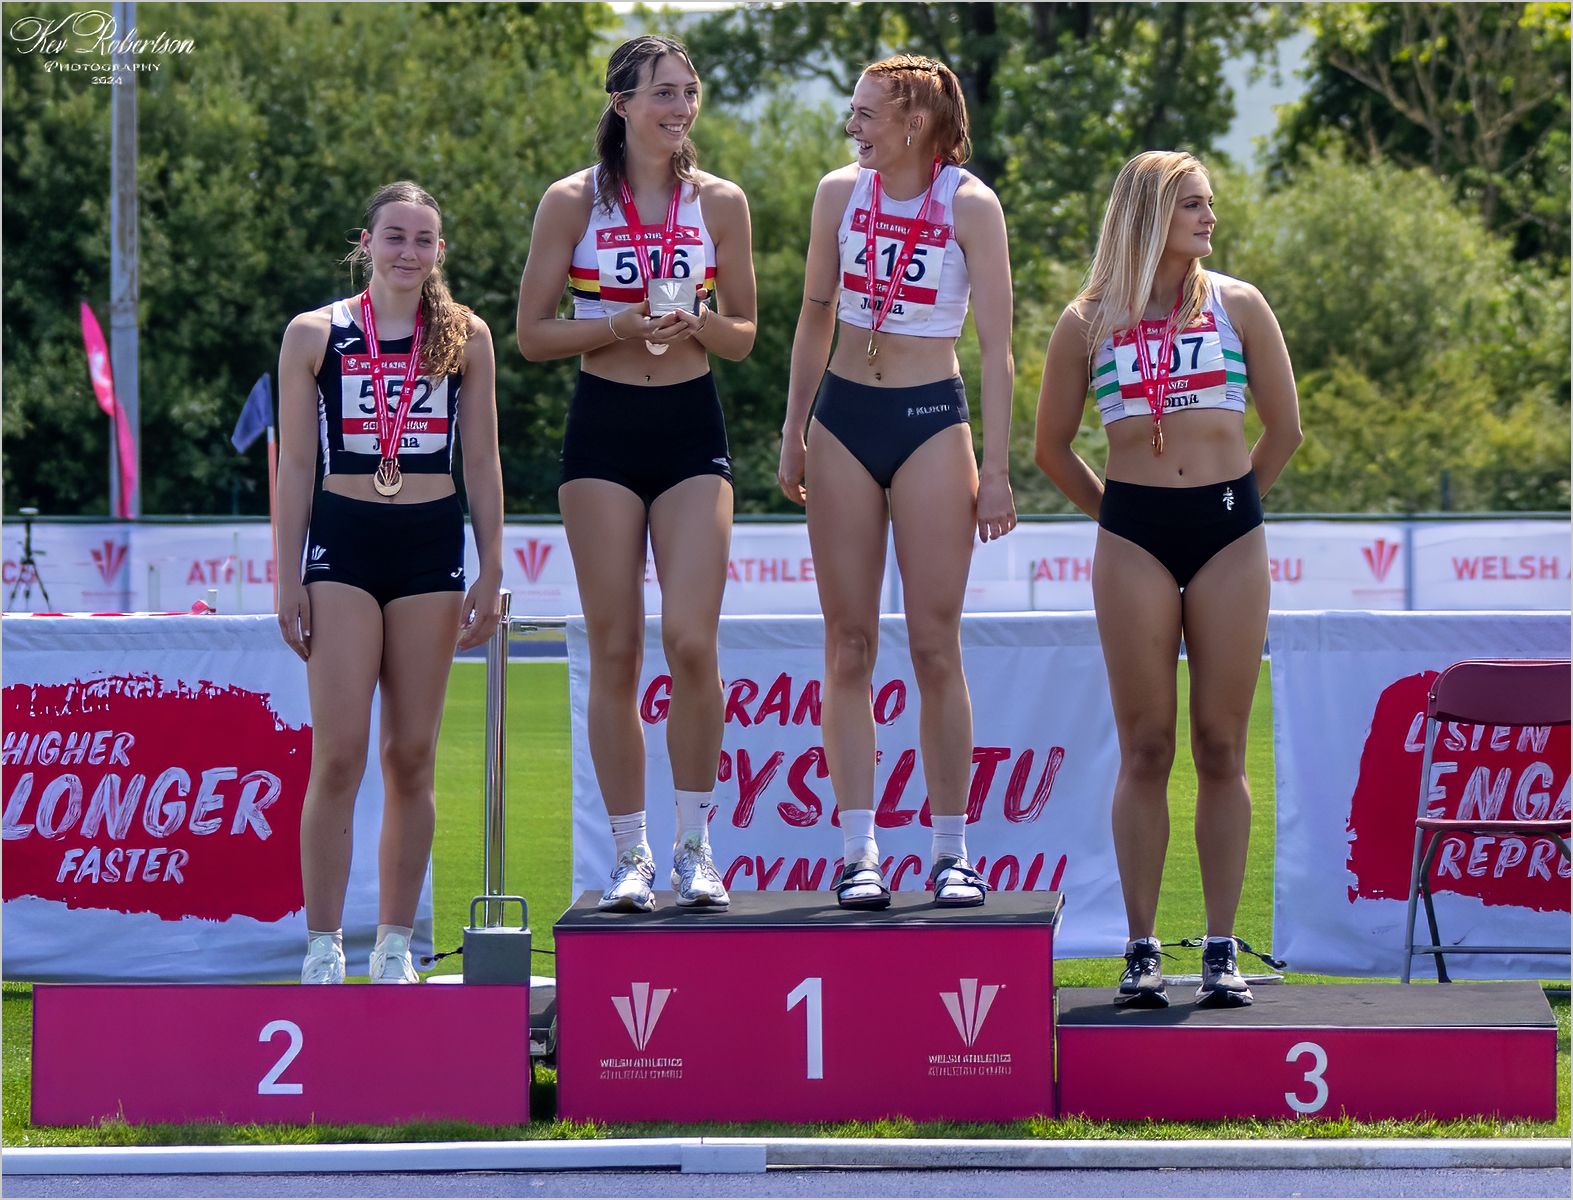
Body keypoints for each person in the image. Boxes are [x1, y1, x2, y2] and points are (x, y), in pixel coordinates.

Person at [1033, 151, 1302, 1007]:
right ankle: (1142, 946)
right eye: (1192, 204)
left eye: (1208, 205)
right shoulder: (1086, 320)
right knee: (1145, 746)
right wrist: (1119, 515)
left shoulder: (1240, 304)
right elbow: (1048, 449)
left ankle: (1220, 948)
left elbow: (1285, 430)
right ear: (1148, 212)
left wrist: (1231, 509)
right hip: (1132, 539)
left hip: (1228, 534)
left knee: (1220, 745)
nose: (1208, 217)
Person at [516, 36, 757, 912]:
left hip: (691, 427)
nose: (679, 108)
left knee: (692, 640)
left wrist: (695, 324)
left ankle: (696, 847)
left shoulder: (719, 202)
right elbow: (533, 334)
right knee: (614, 649)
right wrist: (618, 325)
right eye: (662, 93)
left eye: (688, 93)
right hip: (604, 431)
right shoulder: (570, 202)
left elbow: (743, 333)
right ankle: (631, 855)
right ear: (620, 102)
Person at [778, 55, 1017, 911]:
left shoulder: (970, 204)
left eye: (867, 113)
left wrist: (996, 468)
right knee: (847, 643)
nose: (853, 126)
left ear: (913, 121)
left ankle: (951, 849)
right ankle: (858, 850)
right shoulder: (838, 192)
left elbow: (996, 348)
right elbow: (812, 312)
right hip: (843, 418)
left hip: (929, 421)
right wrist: (793, 424)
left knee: (932, 642)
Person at [276, 181, 503, 983]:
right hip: (343, 543)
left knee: (411, 756)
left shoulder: (464, 336)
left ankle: (395, 946)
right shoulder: (315, 333)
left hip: (430, 545)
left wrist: (492, 564)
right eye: (395, 236)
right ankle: (323, 946)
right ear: (365, 242)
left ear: (440, 252)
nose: (409, 252)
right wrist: (287, 577)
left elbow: (480, 461)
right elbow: (297, 464)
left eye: (424, 240)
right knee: (338, 755)